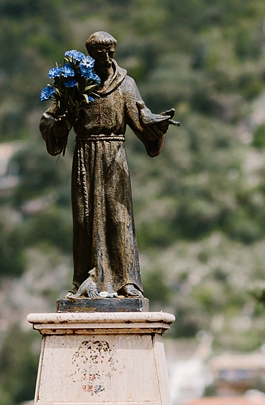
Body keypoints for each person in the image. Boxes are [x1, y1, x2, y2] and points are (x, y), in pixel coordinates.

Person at [39, 31, 177, 299]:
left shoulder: (126, 85)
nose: (107, 57)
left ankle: (127, 281)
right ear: (91, 55)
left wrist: (157, 125)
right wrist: (58, 124)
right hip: (85, 157)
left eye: (110, 52)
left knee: (118, 216)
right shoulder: (74, 86)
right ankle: (83, 278)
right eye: (101, 53)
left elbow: (142, 117)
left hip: (114, 156)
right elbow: (50, 119)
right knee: (84, 218)